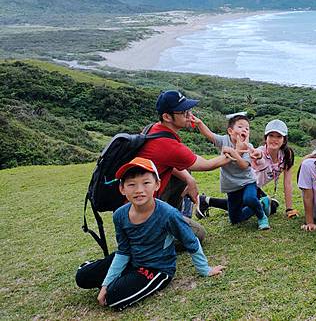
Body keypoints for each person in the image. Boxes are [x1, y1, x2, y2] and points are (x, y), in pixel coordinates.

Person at [75, 157, 225, 311]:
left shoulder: (168, 214)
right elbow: (123, 251)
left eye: (146, 183)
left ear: (157, 185)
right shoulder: (119, 215)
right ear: (122, 188)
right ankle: (114, 273)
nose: (139, 190)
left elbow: (191, 241)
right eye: (131, 184)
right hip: (131, 260)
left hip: (157, 268)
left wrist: (205, 269)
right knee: (82, 277)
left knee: (113, 298)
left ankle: (123, 279)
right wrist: (107, 283)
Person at [136, 90, 231, 242]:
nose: (189, 115)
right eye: (184, 112)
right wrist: (233, 153)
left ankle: (172, 220)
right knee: (198, 234)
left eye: (189, 110)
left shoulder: (153, 129)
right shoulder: (166, 144)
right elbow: (206, 164)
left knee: (185, 173)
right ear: (167, 117)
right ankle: (155, 236)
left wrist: (189, 180)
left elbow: (168, 164)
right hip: (144, 214)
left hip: (138, 203)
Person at [196, 119, 298, 219]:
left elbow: (287, 183)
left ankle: (206, 201)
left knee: (246, 206)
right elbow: (257, 155)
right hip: (247, 185)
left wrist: (289, 209)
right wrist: (256, 156)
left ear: (284, 139)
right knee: (243, 206)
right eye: (271, 135)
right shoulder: (259, 151)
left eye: (279, 136)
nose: (274, 139)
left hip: (255, 188)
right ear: (266, 138)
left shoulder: (286, 154)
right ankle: (264, 202)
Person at [192, 113, 271, 230]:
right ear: (230, 131)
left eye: (247, 128)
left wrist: (234, 152)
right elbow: (209, 135)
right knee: (235, 219)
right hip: (231, 186)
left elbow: (244, 165)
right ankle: (263, 203)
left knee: (249, 199)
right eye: (240, 127)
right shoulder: (224, 140)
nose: (244, 129)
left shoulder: (248, 146)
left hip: (247, 182)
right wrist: (199, 123)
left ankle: (262, 216)